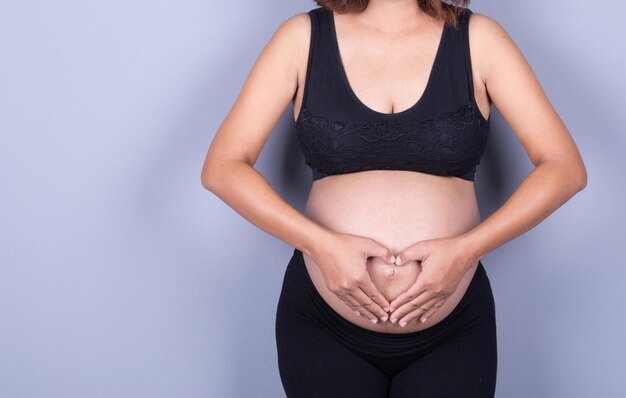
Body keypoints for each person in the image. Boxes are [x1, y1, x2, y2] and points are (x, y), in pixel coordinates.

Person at [201, 0, 587, 396]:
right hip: (323, 324)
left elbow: (564, 168)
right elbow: (223, 167)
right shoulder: (302, 38)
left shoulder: (479, 39)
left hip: (452, 331)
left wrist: (466, 251)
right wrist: (320, 245)